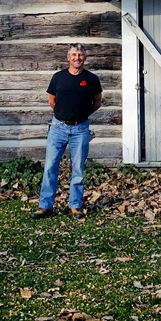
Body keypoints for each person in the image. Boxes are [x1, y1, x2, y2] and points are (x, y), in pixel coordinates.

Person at [33, 43, 103, 220]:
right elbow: (52, 100)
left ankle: (75, 206)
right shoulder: (58, 77)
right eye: (74, 55)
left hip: (80, 129)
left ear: (84, 58)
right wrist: (64, 116)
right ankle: (45, 206)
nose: (77, 58)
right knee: (50, 167)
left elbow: (97, 103)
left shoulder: (92, 79)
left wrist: (80, 115)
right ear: (68, 57)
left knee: (78, 169)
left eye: (80, 55)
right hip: (58, 129)